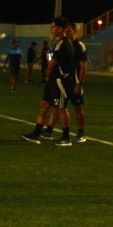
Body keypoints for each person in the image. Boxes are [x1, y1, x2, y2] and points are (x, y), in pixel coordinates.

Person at [20, 17, 77, 146]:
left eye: (54, 27)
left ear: (61, 29)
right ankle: (36, 133)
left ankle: (66, 137)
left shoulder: (63, 43)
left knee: (62, 108)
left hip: (61, 81)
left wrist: (47, 74)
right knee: (45, 105)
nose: (52, 29)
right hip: (54, 81)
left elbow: (52, 63)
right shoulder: (59, 43)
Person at [41, 25, 88, 142]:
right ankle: (49, 130)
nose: (67, 32)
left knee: (77, 107)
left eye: (69, 30)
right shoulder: (65, 44)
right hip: (66, 80)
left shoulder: (79, 45)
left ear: (75, 31)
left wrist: (80, 84)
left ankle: (81, 133)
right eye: (66, 30)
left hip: (75, 81)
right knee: (59, 106)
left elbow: (83, 66)